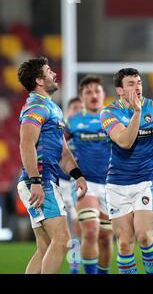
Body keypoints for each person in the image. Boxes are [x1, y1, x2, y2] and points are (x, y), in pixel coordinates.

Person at [100, 68, 153, 274]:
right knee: (126, 243)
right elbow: (124, 142)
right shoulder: (108, 113)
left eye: (139, 83)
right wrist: (137, 113)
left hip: (146, 181)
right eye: (131, 84)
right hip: (117, 184)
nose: (137, 87)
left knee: (145, 236)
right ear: (119, 90)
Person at [16, 57, 88, 274]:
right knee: (63, 239)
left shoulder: (52, 107)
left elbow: (64, 152)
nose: (54, 74)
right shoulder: (35, 107)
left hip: (42, 181)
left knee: (45, 247)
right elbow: (26, 143)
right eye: (48, 71)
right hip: (40, 182)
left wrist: (78, 175)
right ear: (39, 80)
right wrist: (36, 181)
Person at [65, 75, 114, 274]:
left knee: (105, 237)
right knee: (90, 231)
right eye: (88, 92)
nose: (93, 95)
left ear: (103, 94)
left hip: (113, 186)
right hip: (86, 184)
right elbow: (57, 147)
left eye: (97, 91)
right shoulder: (74, 122)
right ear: (81, 97)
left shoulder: (115, 119)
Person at [58, 96, 83, 274]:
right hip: (58, 184)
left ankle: (75, 266)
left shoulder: (85, 132)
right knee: (59, 232)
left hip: (76, 184)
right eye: (74, 108)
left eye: (81, 108)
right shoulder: (59, 131)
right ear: (67, 112)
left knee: (77, 228)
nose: (78, 112)